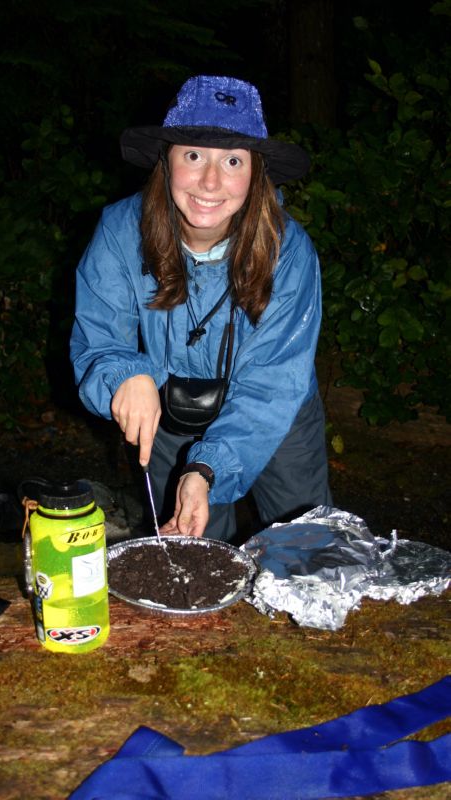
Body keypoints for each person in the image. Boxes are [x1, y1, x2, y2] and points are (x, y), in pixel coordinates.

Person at [70, 74, 332, 542]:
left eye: (233, 160)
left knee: (303, 548)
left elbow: (273, 384)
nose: (211, 182)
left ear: (256, 173)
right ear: (166, 161)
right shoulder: (118, 232)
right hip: (169, 411)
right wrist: (124, 373)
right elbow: (98, 342)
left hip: (274, 413)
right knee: (191, 554)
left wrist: (207, 469)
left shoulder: (289, 251)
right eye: (193, 155)